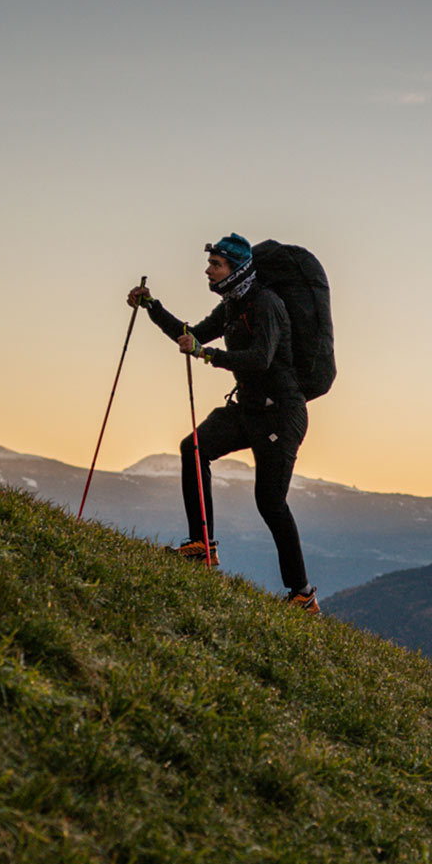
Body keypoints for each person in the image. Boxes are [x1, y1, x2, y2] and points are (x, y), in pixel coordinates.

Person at [126, 234, 317, 613]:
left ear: (237, 269)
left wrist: (207, 355)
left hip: (281, 413)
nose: (208, 270)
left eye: (216, 264)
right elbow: (191, 335)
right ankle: (201, 547)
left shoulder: (266, 304)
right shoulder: (234, 306)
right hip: (249, 409)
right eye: (211, 263)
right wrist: (152, 307)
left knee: (270, 501)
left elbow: (260, 359)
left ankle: (302, 596)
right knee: (194, 448)